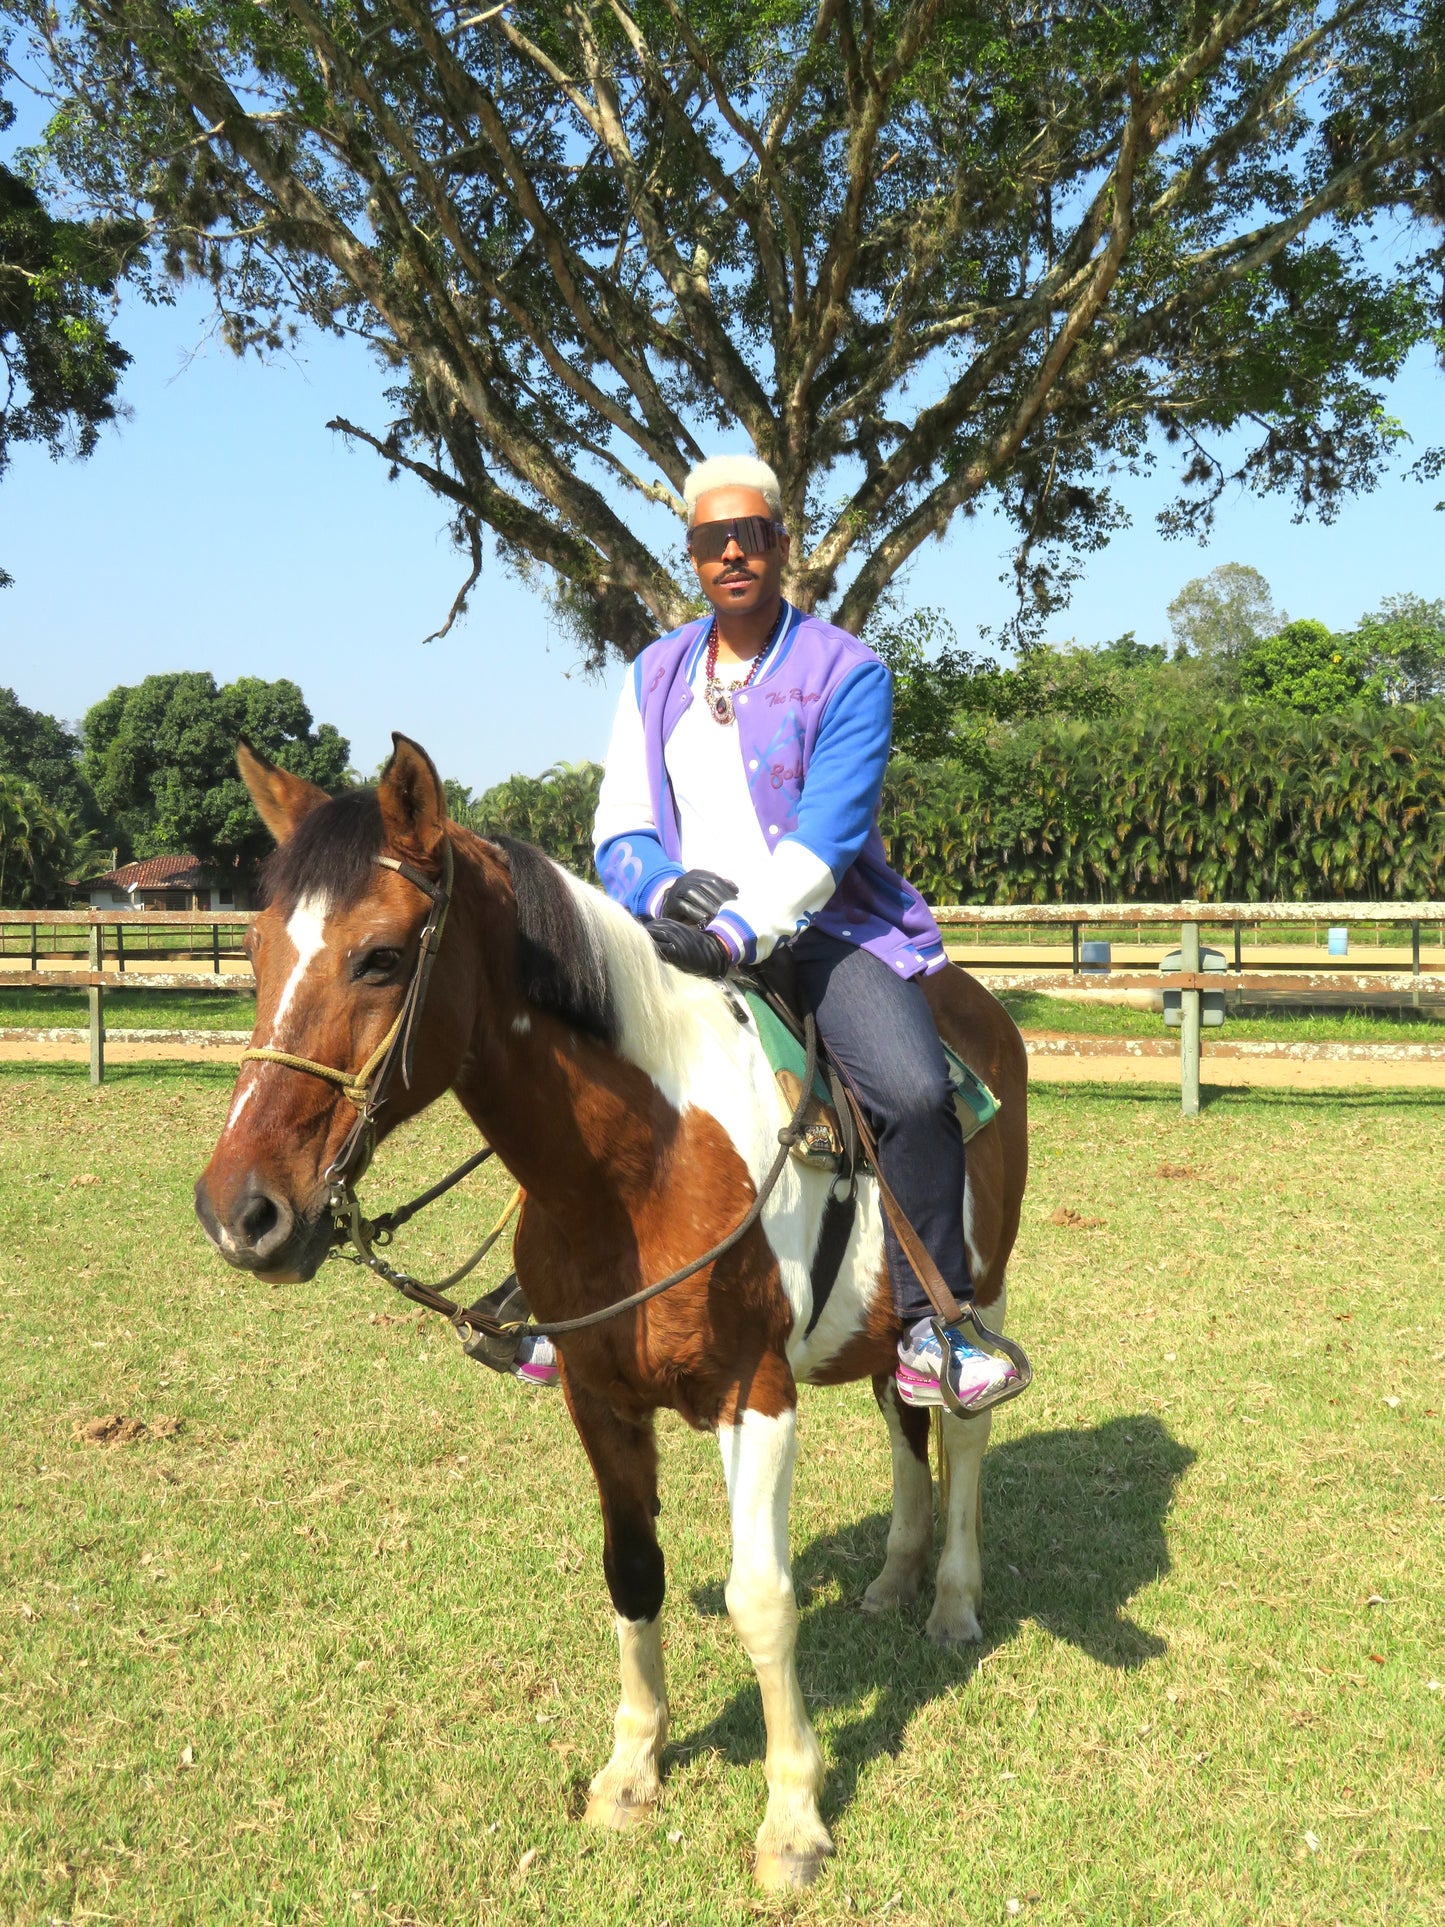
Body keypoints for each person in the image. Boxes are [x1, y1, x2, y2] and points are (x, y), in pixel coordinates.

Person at [580, 452, 1022, 1413]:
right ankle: (553, 1294)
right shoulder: (653, 672)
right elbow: (617, 822)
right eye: (710, 538)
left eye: (750, 534)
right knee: (567, 1052)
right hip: (674, 933)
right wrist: (662, 889)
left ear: (782, 544)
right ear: (691, 552)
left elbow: (828, 835)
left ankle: (933, 1325)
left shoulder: (848, 672)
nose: (731, 551)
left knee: (909, 1089)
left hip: (820, 934)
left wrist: (739, 930)